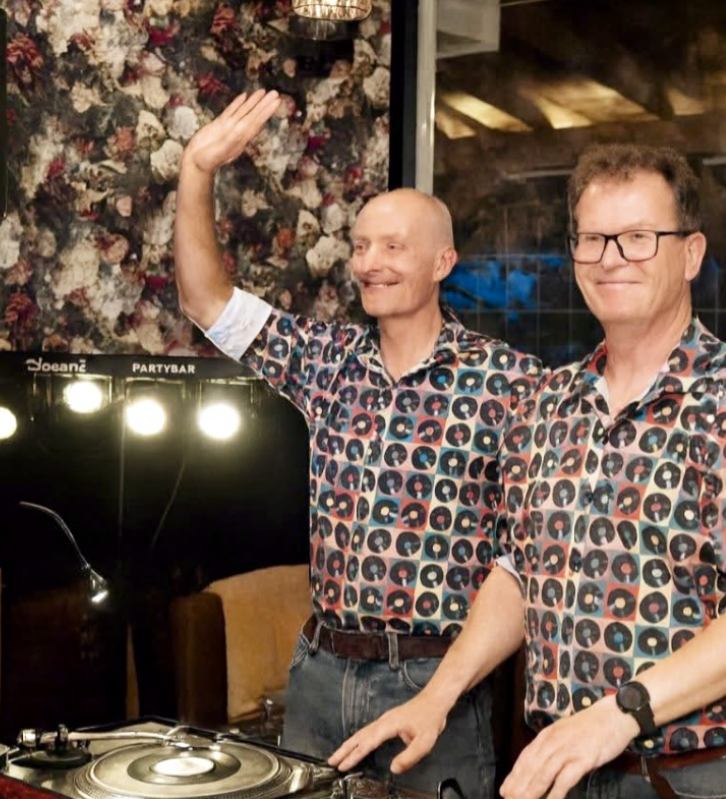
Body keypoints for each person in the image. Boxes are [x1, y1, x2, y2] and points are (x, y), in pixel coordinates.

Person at [329, 143, 726, 799]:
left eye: (639, 238)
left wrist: (619, 715)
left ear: (690, 254)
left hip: (698, 779)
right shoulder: (549, 403)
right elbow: (519, 570)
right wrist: (437, 695)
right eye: (593, 239)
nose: (611, 258)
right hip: (565, 772)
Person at [173, 89, 544, 798]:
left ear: (443, 261)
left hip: (435, 680)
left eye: (393, 247)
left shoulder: (508, 382)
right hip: (320, 671)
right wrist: (197, 170)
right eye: (361, 245)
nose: (370, 262)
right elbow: (205, 302)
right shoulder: (328, 360)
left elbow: (529, 556)